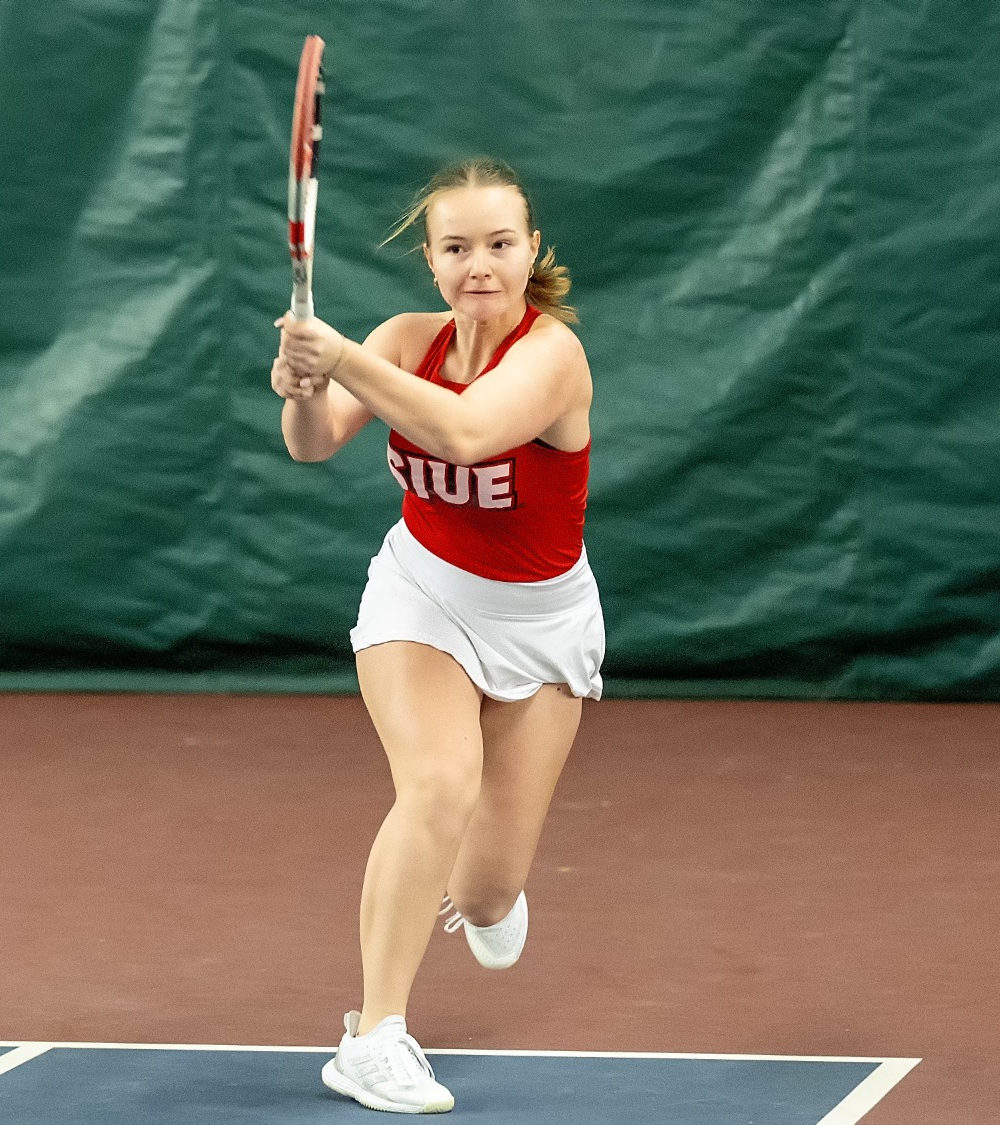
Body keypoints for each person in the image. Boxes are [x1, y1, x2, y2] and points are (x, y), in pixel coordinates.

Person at [273, 157, 604, 1114]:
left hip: (543, 622)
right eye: (456, 247)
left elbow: (464, 434)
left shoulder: (552, 356)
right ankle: (373, 1035)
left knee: (490, 894)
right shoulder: (401, 340)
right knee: (437, 783)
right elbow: (310, 440)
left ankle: (487, 894)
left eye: (500, 244)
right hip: (423, 592)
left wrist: (339, 357)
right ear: (430, 260)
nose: (480, 266)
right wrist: (302, 382)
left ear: (530, 250)